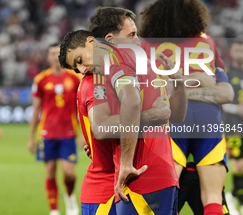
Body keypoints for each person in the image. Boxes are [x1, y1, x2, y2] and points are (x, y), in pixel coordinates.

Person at [59, 27, 187, 215]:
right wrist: (151, 116)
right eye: (76, 66)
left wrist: (177, 84)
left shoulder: (130, 71)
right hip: (108, 188)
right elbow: (102, 129)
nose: (82, 69)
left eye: (79, 61)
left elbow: (174, 116)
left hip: (142, 178)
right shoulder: (95, 80)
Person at [139, 0, 234, 215]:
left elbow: (143, 89)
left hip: (171, 118)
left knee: (165, 196)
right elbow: (220, 88)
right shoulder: (206, 42)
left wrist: (176, 89)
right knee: (212, 198)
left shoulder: (147, 45)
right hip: (208, 118)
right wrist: (197, 82)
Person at [28, 43, 81, 215]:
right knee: (50, 171)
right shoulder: (41, 79)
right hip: (47, 134)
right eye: (52, 53)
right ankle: (54, 210)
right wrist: (31, 137)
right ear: (48, 57)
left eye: (59, 53)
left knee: (69, 173)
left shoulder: (75, 78)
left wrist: (85, 134)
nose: (55, 56)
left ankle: (69, 196)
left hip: (68, 134)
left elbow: (84, 107)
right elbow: (36, 109)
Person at [223, 37, 243, 215]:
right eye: (238, 50)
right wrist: (236, 108)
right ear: (232, 52)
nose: (241, 54)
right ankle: (234, 195)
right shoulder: (227, 74)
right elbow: (219, 101)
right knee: (238, 165)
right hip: (234, 126)